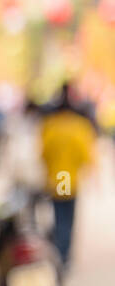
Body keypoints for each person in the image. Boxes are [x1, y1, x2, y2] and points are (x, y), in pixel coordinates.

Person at [39, 81, 97, 267]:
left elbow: (43, 153)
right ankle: (63, 255)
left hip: (56, 178)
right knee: (67, 220)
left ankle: (61, 252)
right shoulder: (79, 127)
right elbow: (86, 156)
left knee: (59, 217)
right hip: (69, 179)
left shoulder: (51, 126)